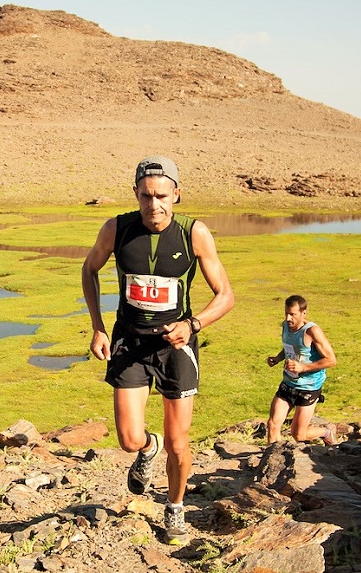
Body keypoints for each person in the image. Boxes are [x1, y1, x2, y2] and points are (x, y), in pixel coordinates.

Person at [82, 155, 234, 546]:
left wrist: (193, 324)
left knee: (180, 443)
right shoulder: (116, 228)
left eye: (162, 196)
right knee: (129, 439)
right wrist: (98, 328)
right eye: (147, 196)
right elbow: (89, 269)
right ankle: (149, 451)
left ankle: (175, 507)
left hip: (175, 348)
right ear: (136, 194)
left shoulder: (194, 233)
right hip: (129, 341)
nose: (155, 205)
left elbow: (226, 296)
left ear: (177, 194)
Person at [265, 294, 338, 445]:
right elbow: (291, 348)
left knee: (298, 435)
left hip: (309, 387)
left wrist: (303, 367)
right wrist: (278, 358)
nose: (288, 318)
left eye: (292, 314)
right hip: (288, 383)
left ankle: (326, 431)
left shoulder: (311, 331)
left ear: (303, 313)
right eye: (286, 313)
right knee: (272, 425)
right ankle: (271, 463)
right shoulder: (286, 326)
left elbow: (331, 360)